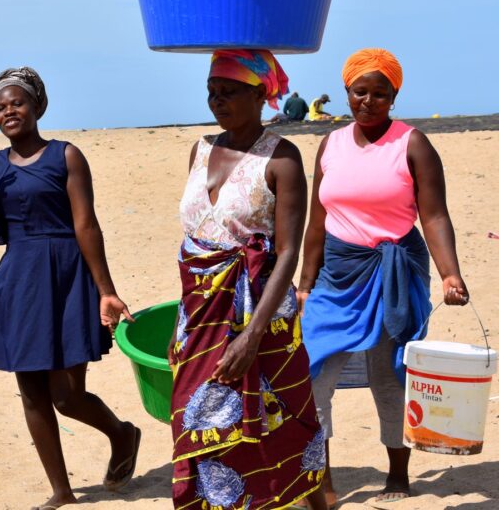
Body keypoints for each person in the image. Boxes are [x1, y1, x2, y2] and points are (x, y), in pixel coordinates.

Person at [0, 67, 141, 509]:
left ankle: (122, 433)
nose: (9, 110)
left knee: (67, 397)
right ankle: (61, 491)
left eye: (17, 103)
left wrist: (105, 288)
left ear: (37, 106)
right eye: (0, 106)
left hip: (67, 276)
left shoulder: (66, 156)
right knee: (30, 389)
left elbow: (86, 224)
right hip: (19, 281)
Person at [297, 48, 469, 505]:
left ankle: (398, 474)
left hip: (392, 273)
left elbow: (433, 216)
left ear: (393, 96)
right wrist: (303, 283)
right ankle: (323, 481)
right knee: (314, 375)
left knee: (389, 376)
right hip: (337, 275)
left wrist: (451, 274)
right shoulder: (329, 144)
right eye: (360, 91)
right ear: (346, 92)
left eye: (380, 93)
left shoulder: (413, 143)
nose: (369, 101)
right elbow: (317, 220)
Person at [169, 49, 328, 510]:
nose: (217, 101)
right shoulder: (199, 150)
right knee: (199, 424)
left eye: (229, 92)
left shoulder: (281, 158)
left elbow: (289, 252)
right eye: (212, 92)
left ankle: (314, 503)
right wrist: (184, 325)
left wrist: (252, 336)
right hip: (199, 315)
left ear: (260, 94)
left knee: (283, 418)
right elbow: (195, 242)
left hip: (261, 313)